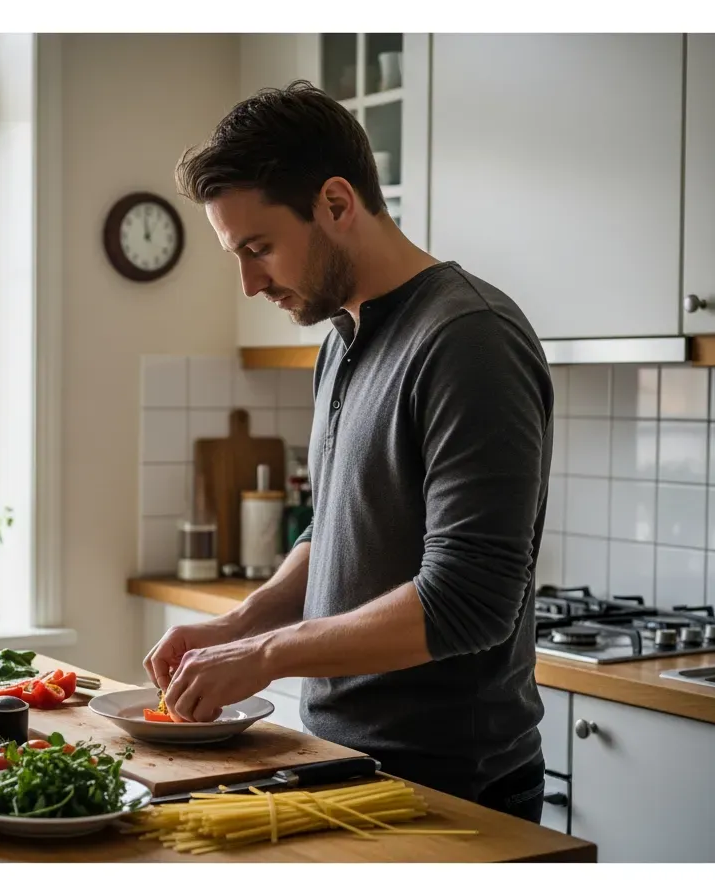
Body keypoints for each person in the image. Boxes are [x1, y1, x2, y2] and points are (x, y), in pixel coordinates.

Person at [144, 81, 553, 823]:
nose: (250, 283)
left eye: (259, 249)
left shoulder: (469, 339)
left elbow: (468, 602)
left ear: (336, 203)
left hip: (451, 791)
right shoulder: (342, 340)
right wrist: (242, 624)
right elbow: (335, 527)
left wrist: (265, 654)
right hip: (344, 766)